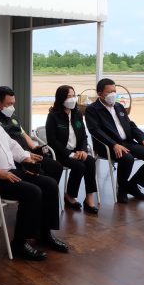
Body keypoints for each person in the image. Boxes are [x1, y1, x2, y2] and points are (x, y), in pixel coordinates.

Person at [0, 92, 67, 261]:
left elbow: (12, 146)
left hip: (11, 172)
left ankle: (44, 234)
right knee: (32, 192)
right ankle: (19, 243)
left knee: (50, 184)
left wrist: (26, 158)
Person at [85, 79, 144, 203]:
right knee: (127, 158)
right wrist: (114, 144)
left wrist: (142, 140)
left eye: (114, 91)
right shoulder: (92, 109)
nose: (113, 94)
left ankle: (132, 185)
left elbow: (131, 125)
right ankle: (122, 189)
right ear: (100, 93)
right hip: (107, 145)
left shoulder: (119, 106)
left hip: (128, 142)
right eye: (109, 92)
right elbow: (95, 131)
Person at [0, 86, 64, 184]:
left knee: (56, 167)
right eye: (9, 104)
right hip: (16, 158)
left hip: (29, 153)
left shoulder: (12, 116)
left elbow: (22, 133)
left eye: (13, 103)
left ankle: (50, 191)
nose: (12, 107)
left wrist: (34, 148)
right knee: (42, 175)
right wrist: (26, 156)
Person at [45, 86, 99, 214]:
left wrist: (83, 150)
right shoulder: (53, 116)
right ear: (61, 98)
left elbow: (83, 136)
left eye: (73, 95)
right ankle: (70, 196)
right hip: (60, 154)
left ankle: (89, 198)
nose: (72, 99)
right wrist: (70, 154)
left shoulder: (77, 114)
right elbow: (52, 141)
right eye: (69, 96)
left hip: (77, 151)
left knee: (90, 161)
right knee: (79, 166)